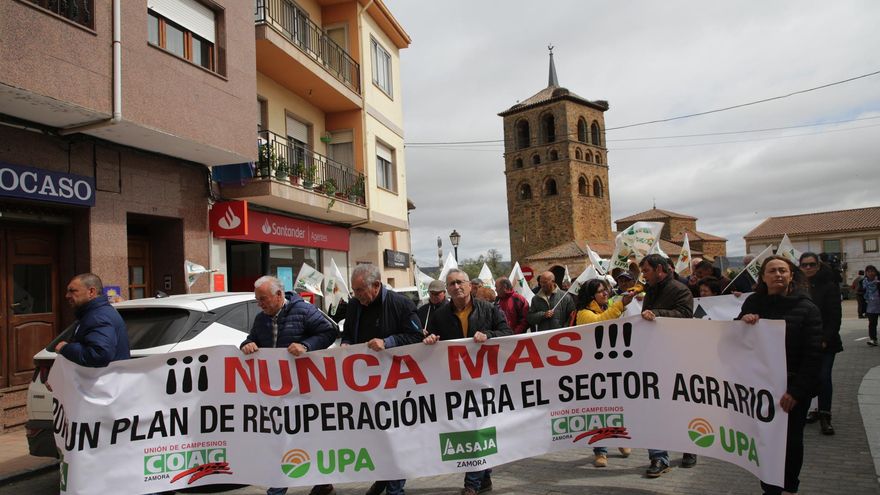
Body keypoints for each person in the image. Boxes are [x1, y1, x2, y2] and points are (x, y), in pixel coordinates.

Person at [241, 276, 338, 495]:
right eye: (257, 300)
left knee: (304, 437)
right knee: (282, 438)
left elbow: (330, 332)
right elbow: (250, 339)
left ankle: (318, 484)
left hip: (304, 388)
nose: (260, 304)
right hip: (276, 390)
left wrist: (306, 345)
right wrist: (248, 345)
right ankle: (289, 487)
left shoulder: (304, 311)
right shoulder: (261, 319)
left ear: (278, 295)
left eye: (263, 299)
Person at [737, 256, 822, 495]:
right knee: (765, 439)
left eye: (783, 270)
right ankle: (770, 488)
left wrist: (796, 391)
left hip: (792, 390)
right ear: (763, 277)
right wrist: (743, 321)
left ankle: (789, 487)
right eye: (772, 271)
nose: (778, 275)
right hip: (761, 387)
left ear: (791, 275)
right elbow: (737, 339)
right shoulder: (753, 302)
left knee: (791, 441)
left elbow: (813, 355)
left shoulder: (807, 308)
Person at [423, 268, 512, 495]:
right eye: (451, 284)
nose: (456, 287)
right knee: (471, 428)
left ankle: (471, 484)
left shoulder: (489, 309)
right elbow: (430, 339)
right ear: (447, 289)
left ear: (470, 286)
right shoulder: (440, 316)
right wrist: (430, 339)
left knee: (478, 427)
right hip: (456, 384)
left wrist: (489, 336)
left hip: (486, 381)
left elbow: (507, 332)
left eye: (460, 282)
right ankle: (484, 478)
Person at [342, 264, 424, 495]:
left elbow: (416, 336)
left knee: (393, 436)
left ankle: (395, 489)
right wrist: (346, 343)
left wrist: (387, 342)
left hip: (395, 383)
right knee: (375, 436)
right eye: (354, 290)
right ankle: (383, 479)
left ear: (376, 285)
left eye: (360, 290)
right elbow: (348, 333)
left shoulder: (401, 305)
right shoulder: (354, 305)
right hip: (366, 383)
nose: (357, 295)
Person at [638, 254, 695, 477]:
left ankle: (690, 446)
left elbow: (686, 315)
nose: (643, 275)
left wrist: (657, 314)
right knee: (653, 408)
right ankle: (658, 457)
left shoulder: (681, 290)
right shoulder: (650, 291)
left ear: (660, 269)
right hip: (653, 357)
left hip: (678, 356)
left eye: (646, 270)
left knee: (681, 405)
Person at [575, 278, 635, 467]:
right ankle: (600, 451)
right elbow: (600, 323)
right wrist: (620, 305)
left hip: (611, 367)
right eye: (600, 291)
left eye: (606, 290)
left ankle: (619, 439)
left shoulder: (607, 308)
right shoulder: (583, 314)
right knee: (599, 411)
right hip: (593, 371)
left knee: (616, 407)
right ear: (591, 296)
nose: (605, 293)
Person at [798, 252, 841, 435]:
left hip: (825, 343)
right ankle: (809, 410)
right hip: (803, 343)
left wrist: (824, 340)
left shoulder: (829, 287)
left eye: (811, 264)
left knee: (823, 377)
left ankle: (825, 414)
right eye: (804, 265)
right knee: (807, 378)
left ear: (818, 266)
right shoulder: (796, 286)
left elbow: (834, 317)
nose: (808, 268)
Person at [55, 273, 130, 367]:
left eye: (72, 291)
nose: (67, 296)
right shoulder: (94, 313)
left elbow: (99, 355)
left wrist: (66, 349)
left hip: (105, 376)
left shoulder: (98, 317)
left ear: (91, 292)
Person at [863, 265, 880, 346]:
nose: (870, 273)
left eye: (872, 271)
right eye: (868, 272)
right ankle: (873, 339)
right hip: (871, 306)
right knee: (872, 323)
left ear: (875, 272)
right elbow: (860, 294)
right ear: (866, 273)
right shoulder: (864, 282)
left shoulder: (878, 281)